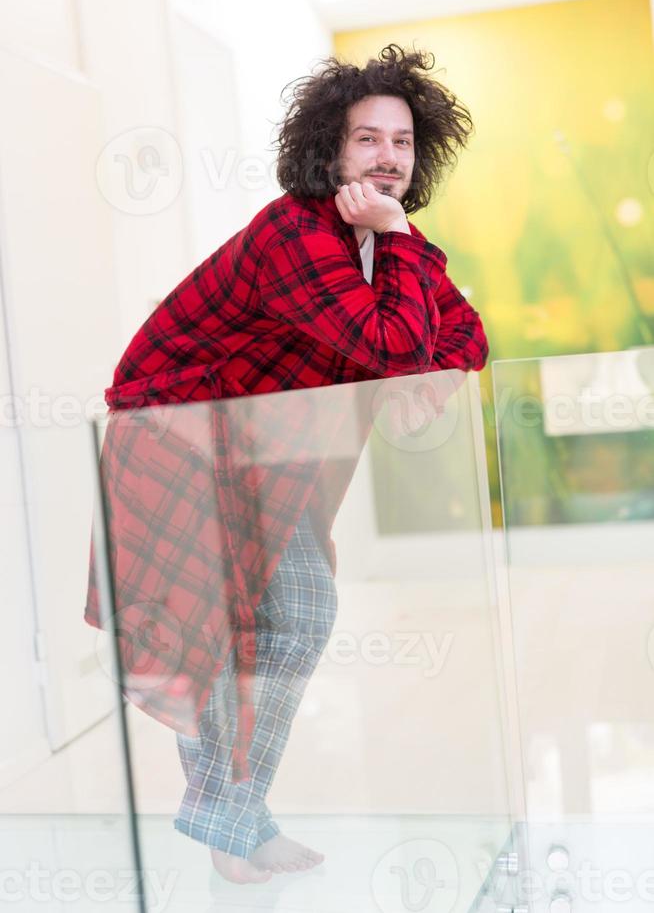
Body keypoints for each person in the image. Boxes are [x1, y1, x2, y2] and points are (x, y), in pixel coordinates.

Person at [84, 43, 489, 886]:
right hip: (176, 440)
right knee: (212, 635)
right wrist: (401, 250)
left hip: (261, 455)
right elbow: (387, 346)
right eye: (366, 140)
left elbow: (464, 334)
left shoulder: (387, 240)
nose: (387, 157)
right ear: (329, 152)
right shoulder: (296, 235)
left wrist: (408, 286)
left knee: (295, 614)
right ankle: (238, 828)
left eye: (403, 142)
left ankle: (228, 820)